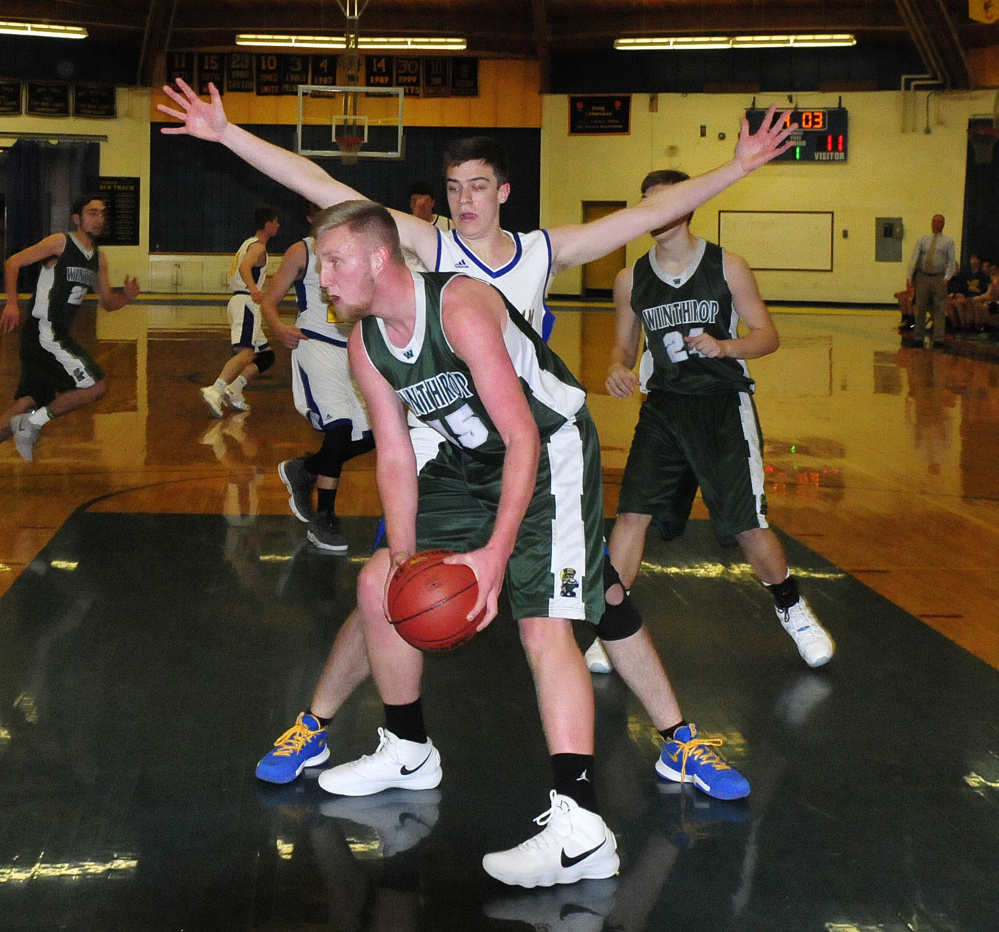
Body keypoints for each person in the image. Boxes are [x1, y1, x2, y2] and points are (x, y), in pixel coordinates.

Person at [157, 79, 795, 800]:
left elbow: (649, 211)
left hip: (534, 448)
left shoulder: (543, 253)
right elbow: (323, 184)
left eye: (478, 187)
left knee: (602, 598)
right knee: (387, 589)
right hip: (447, 454)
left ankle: (677, 740)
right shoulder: (423, 243)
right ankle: (325, 723)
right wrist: (227, 134)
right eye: (455, 186)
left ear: (503, 192)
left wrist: (738, 167)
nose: (464, 201)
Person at [316, 199, 617, 888]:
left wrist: (492, 556)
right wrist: (400, 553)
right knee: (376, 586)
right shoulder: (365, 342)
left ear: (376, 257)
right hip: (467, 460)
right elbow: (393, 455)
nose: (323, 278)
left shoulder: (460, 309)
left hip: (550, 451)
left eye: (334, 262)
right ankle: (407, 748)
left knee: (544, 630)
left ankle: (581, 827)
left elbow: (523, 438)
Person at [588, 169, 834, 681]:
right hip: (664, 408)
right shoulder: (630, 278)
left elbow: (767, 336)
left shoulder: (728, 267)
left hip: (722, 403)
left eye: (663, 202)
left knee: (746, 522)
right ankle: (611, 621)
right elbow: (623, 346)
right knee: (632, 513)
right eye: (645, 203)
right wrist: (617, 369)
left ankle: (793, 609)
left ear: (686, 206)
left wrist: (727, 346)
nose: (651, 213)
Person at [259, 203, 374, 551]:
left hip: (353, 349)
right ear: (310, 218)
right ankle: (323, 518)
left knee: (375, 435)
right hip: (315, 344)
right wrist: (278, 327)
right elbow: (269, 299)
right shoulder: (301, 251)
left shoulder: (358, 249)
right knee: (338, 428)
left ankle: (305, 469)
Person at [1, 195, 140, 462]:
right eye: (92, 213)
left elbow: (108, 303)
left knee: (27, 402)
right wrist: (12, 304)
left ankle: (29, 419)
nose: (99, 219)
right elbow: (13, 263)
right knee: (96, 387)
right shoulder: (60, 243)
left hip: (48, 336)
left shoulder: (98, 258)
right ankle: (33, 423)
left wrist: (127, 297)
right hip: (45, 332)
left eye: (102, 214)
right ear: (77, 218)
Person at [200, 206, 280, 417]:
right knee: (245, 353)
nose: (278, 225)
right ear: (268, 224)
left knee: (266, 355)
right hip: (246, 303)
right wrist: (254, 289)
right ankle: (215, 390)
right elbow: (245, 268)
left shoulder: (248, 243)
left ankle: (233, 389)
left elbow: (248, 270)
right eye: (276, 222)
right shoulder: (258, 247)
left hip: (242, 302)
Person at [906, 214, 956, 346]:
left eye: (940, 222)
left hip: (939, 278)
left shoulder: (948, 241)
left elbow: (951, 260)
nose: (937, 224)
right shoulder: (923, 239)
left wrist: (947, 277)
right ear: (931, 223)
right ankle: (918, 338)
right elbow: (914, 258)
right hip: (923, 276)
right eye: (934, 221)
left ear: (943, 224)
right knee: (920, 307)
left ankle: (939, 339)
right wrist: (909, 276)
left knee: (939, 309)